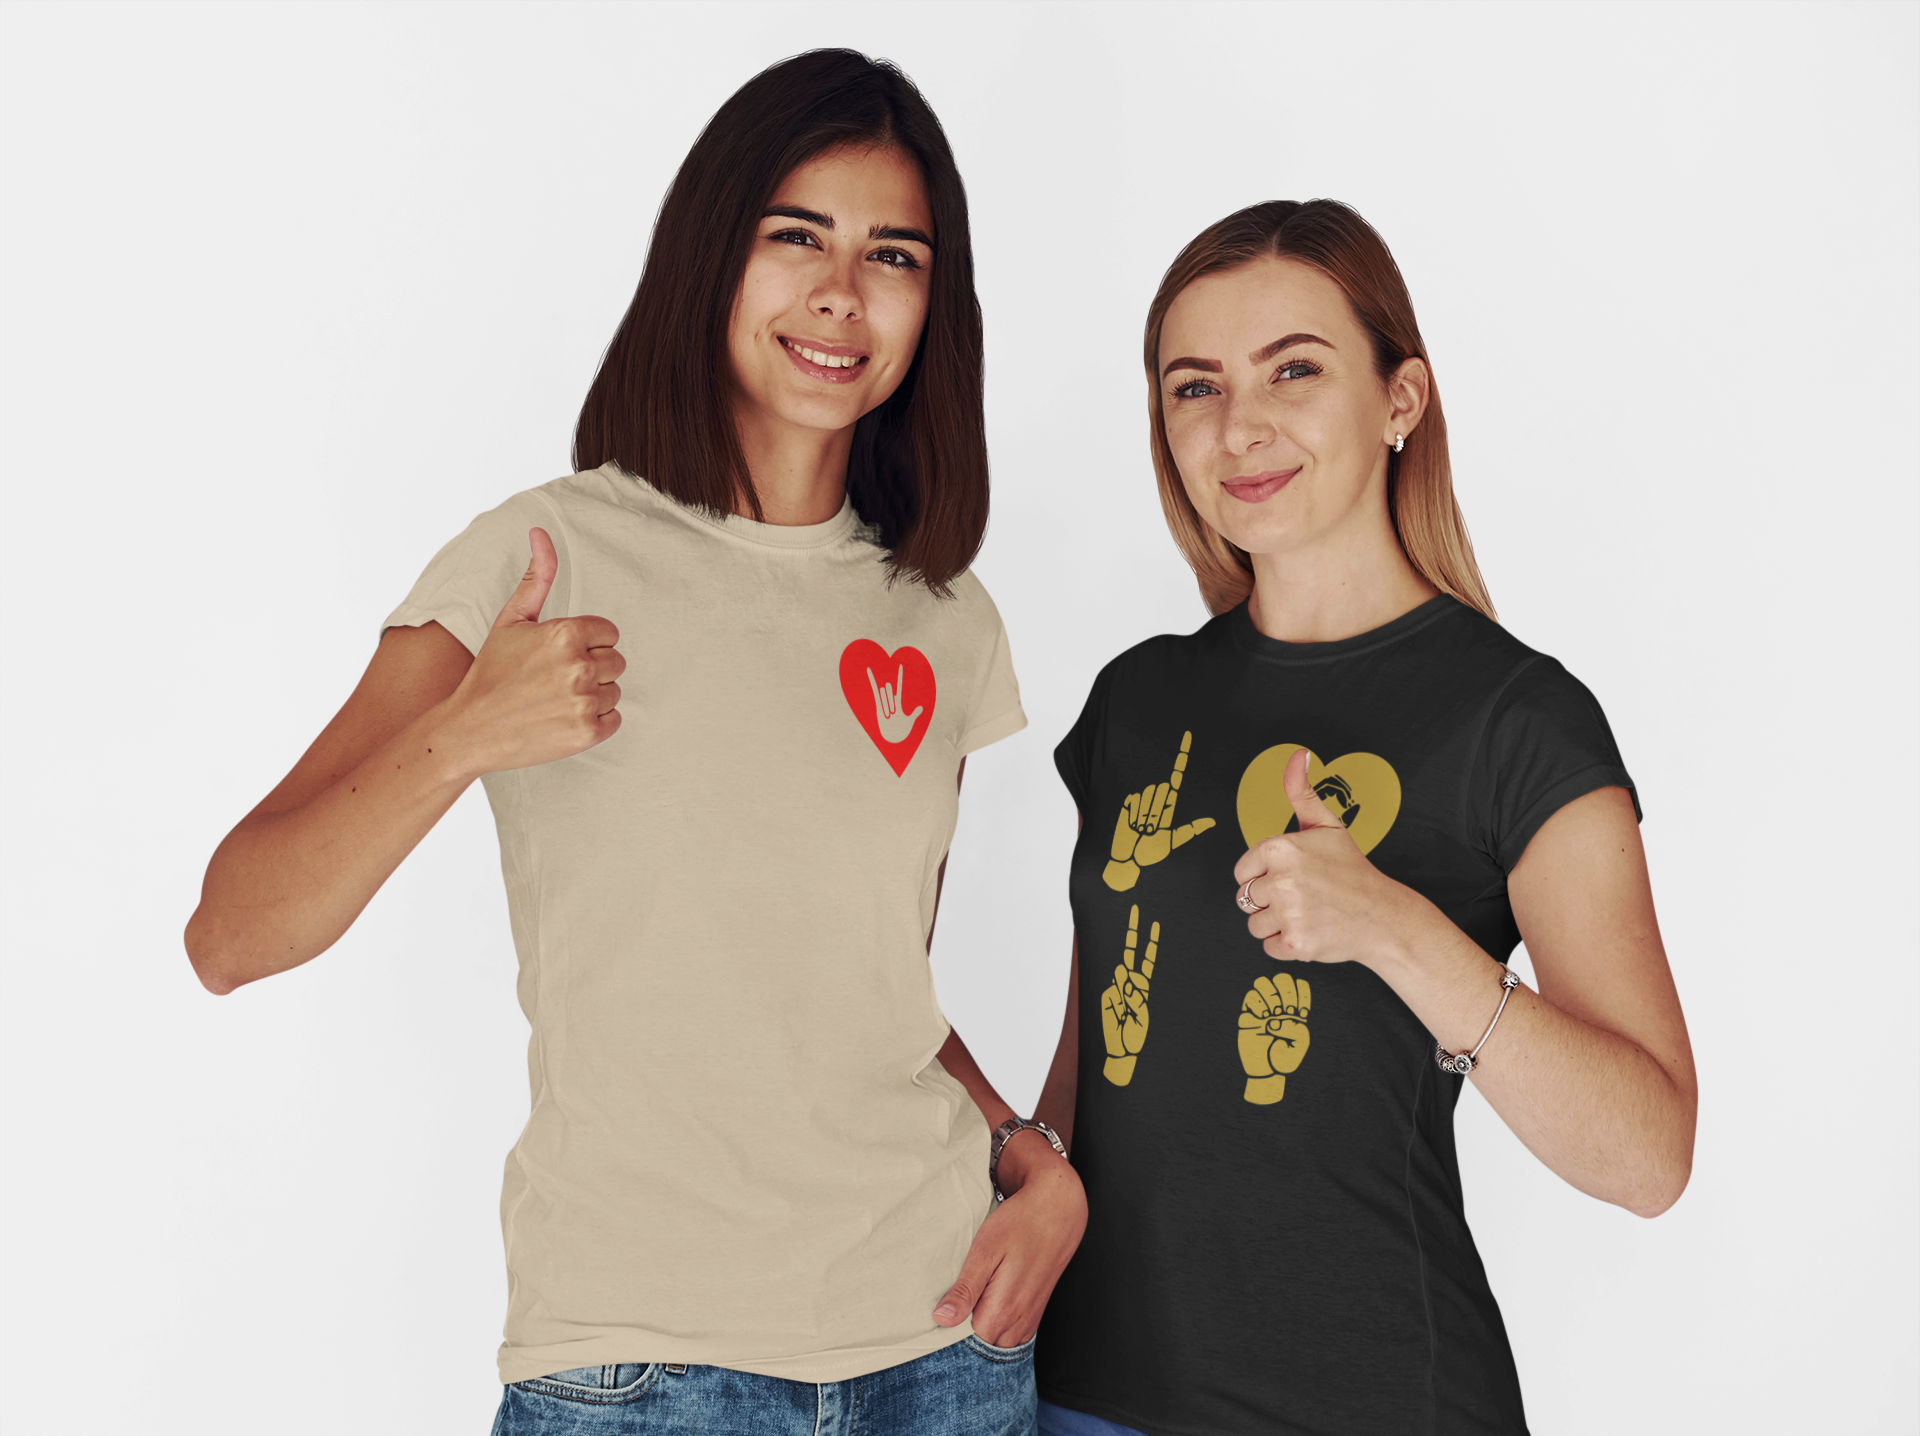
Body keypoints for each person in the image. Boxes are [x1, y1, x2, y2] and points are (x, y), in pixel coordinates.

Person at [185, 49, 1085, 1436]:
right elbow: (231, 934)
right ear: (712, 254)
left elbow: (866, 989)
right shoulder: (544, 553)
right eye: (797, 237)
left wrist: (1030, 1152)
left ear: (934, 303)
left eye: (893, 255)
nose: (842, 292)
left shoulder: (944, 618)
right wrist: (466, 734)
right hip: (641, 1370)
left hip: (942, 1346)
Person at [1026, 200, 1696, 1436]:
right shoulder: (1136, 700)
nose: (1239, 425)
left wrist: (1396, 928)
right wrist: (1026, 1182)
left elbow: (1650, 1155)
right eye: (1194, 386)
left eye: (1294, 369)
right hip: (1084, 1396)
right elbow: (1097, 1065)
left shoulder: (1516, 718)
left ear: (1401, 399)